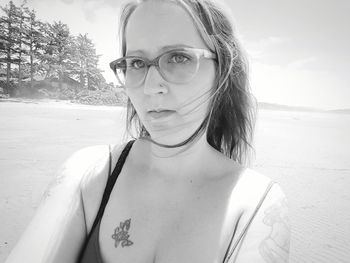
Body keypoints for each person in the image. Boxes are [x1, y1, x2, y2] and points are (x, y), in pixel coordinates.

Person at [5, 0, 290, 262]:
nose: (151, 87)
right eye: (137, 63)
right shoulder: (88, 174)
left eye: (178, 57)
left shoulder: (257, 207)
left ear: (222, 69)